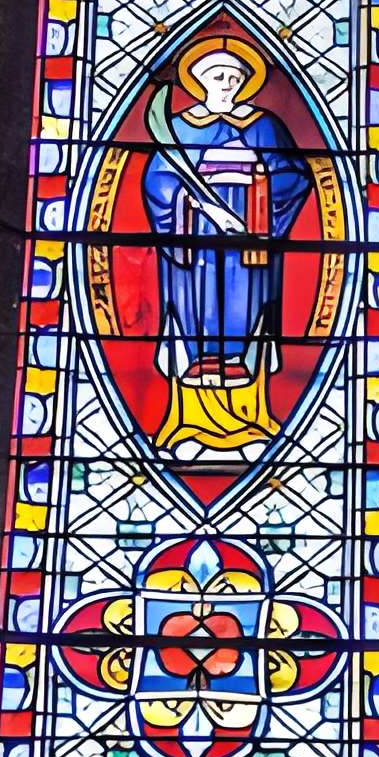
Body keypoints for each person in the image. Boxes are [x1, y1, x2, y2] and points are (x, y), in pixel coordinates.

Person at [140, 37, 311, 463]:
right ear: (197, 81)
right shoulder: (176, 128)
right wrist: (190, 198)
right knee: (194, 328)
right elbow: (157, 182)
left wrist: (257, 178)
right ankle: (187, 424)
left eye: (235, 78)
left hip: (247, 243)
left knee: (247, 323)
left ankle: (252, 422)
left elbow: (295, 175)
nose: (226, 85)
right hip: (195, 245)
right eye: (217, 77)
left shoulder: (264, 125)